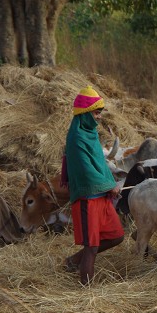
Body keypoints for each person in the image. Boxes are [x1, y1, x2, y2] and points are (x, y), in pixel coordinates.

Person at [63, 86, 124, 285]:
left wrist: (111, 184)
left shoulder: (90, 134)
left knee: (116, 236)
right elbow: (86, 170)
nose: (99, 117)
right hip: (88, 199)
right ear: (86, 113)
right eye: (96, 112)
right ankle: (86, 292)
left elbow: (100, 164)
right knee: (92, 247)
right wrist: (109, 185)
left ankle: (72, 261)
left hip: (101, 197)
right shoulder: (77, 137)